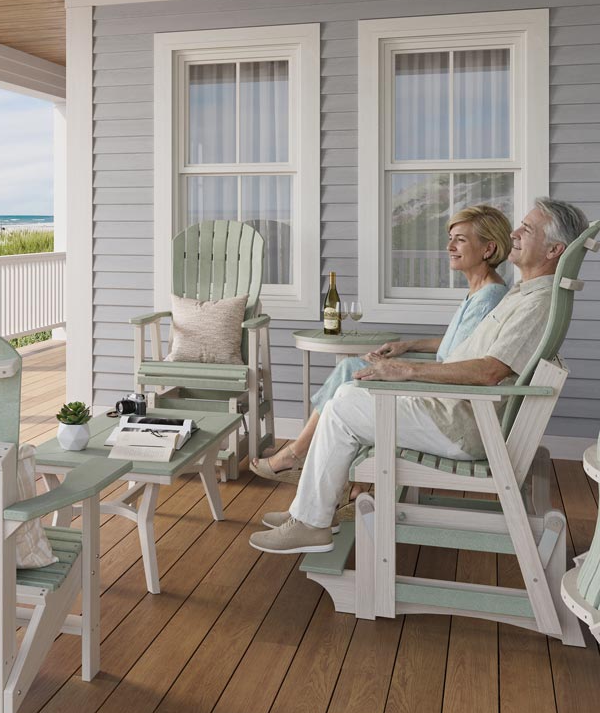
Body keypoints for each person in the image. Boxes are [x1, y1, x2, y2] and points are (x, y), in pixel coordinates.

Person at [250, 197, 589, 555]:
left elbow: (490, 371)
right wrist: (407, 358)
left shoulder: (535, 303)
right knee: (348, 392)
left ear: (554, 250)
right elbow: (470, 352)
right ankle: (312, 514)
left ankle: (312, 522)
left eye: (527, 229)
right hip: (459, 411)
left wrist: (407, 370)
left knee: (343, 405)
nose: (515, 233)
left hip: (464, 423)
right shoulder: (523, 294)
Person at [250, 204, 513, 485]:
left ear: (488, 249)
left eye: (460, 240)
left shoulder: (489, 299)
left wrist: (401, 368)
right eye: (450, 239)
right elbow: (457, 344)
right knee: (352, 369)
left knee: (353, 376)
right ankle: (339, 475)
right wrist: (409, 345)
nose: (449, 247)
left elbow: (459, 363)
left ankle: (300, 455)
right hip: (440, 391)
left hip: (445, 403)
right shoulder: (479, 291)